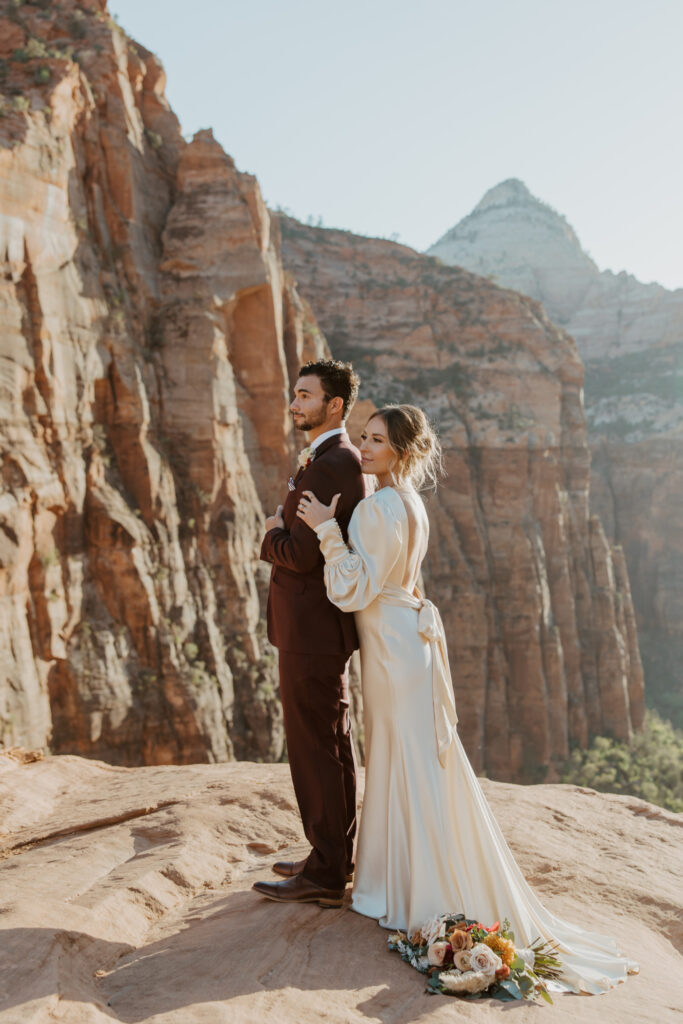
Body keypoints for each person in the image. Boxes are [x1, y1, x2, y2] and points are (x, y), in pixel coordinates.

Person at [295, 403, 638, 994]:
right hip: (408, 645)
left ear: (401, 451)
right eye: (364, 437)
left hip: (393, 654)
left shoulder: (378, 506)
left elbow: (352, 588)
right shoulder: (411, 504)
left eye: (377, 440)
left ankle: (407, 890)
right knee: (418, 762)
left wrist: (327, 529)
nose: (366, 447)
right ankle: (404, 879)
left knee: (403, 761)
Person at [252, 359, 370, 909]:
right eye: (294, 394)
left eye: (304, 396)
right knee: (329, 742)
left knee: (315, 745)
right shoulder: (331, 458)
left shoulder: (329, 464)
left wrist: (271, 535)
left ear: (335, 405)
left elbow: (301, 555)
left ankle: (325, 872)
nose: (294, 403)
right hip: (318, 630)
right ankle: (329, 857)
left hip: (310, 630)